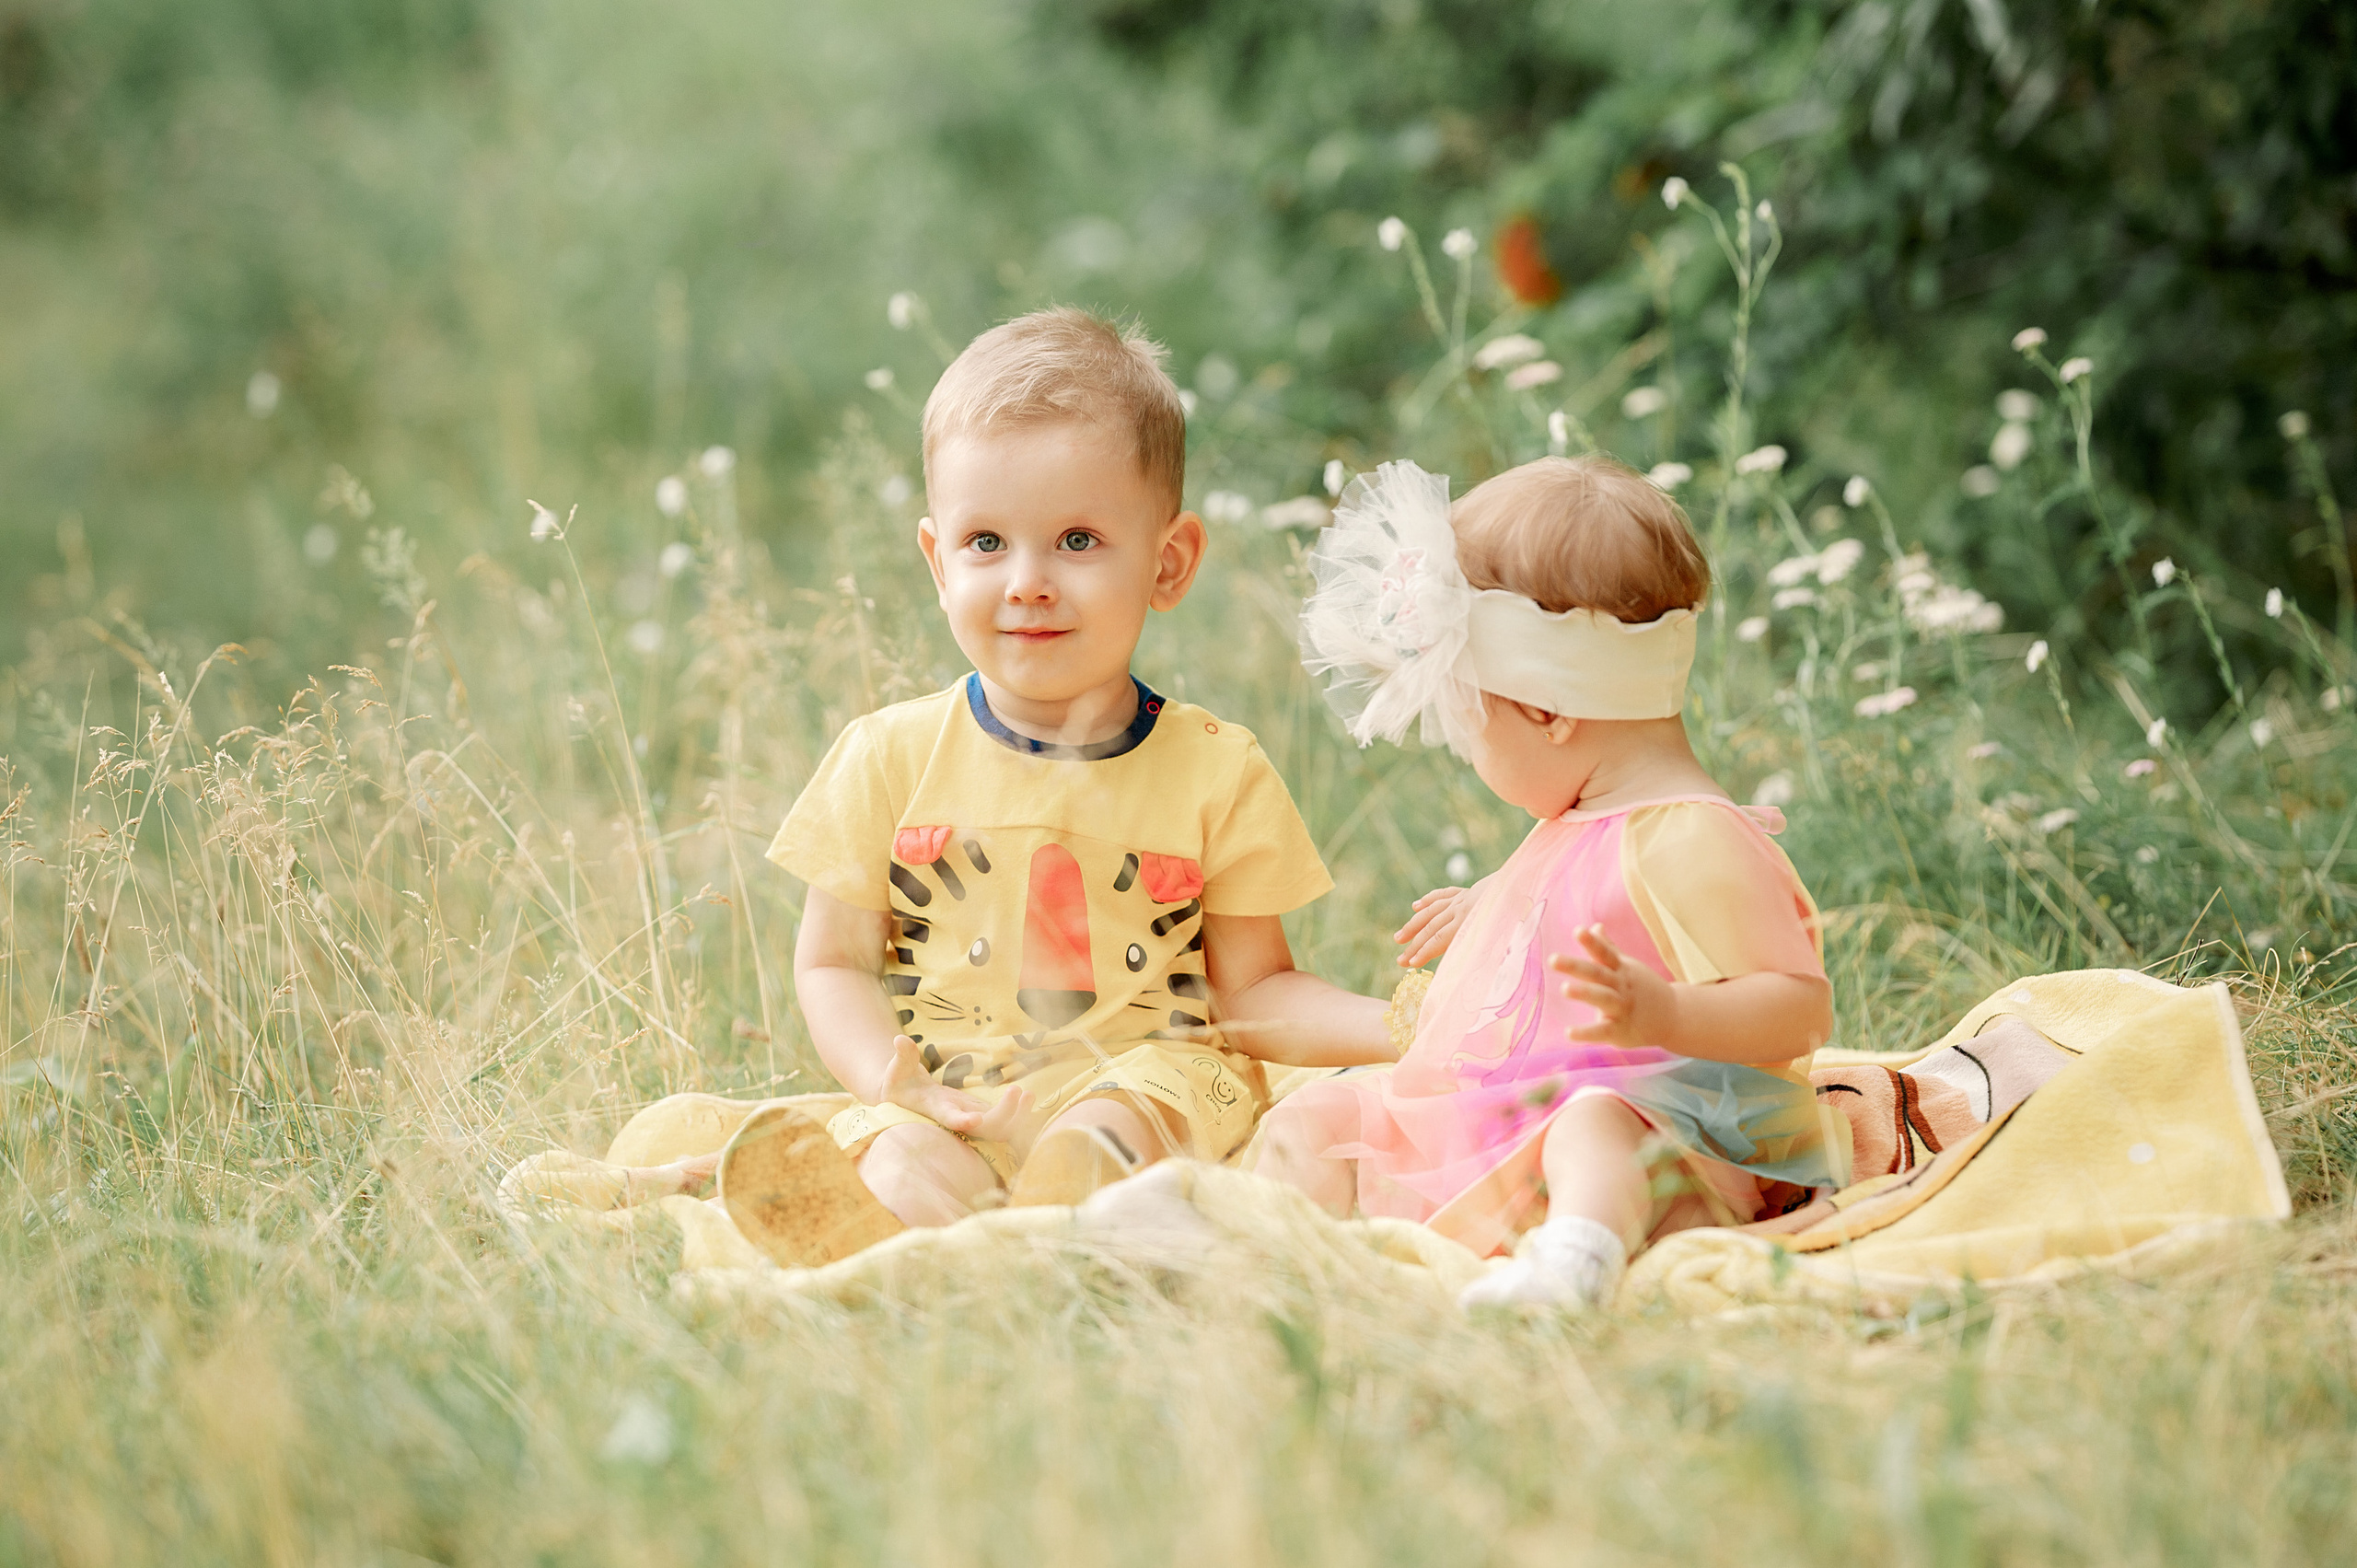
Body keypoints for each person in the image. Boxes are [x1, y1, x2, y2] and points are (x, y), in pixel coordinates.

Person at [635, 308, 1393, 1262]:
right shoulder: (889, 756)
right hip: (950, 1093)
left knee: (1109, 1133)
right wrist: (892, 1081)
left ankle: (1075, 1229)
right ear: (936, 559)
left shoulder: (1213, 767)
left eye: (1076, 541)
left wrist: (1403, 1023)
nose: (1026, 581)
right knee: (904, 1162)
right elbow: (830, 964)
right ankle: (921, 1241)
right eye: (986, 542)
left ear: (1168, 562)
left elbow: (1256, 992)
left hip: (1145, 1082)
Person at [1253, 454, 1849, 1310]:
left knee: (1594, 1122)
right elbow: (1571, 895)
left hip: (1665, 1148)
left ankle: (1575, 1266)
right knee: (1325, 1114)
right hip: (1509, 1118)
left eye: (1470, 719)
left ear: (1547, 711)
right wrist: (1492, 902)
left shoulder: (1692, 836)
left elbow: (1799, 1004)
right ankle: (1283, 1270)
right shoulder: (1578, 818)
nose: (1468, 749)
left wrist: (1668, 1014)